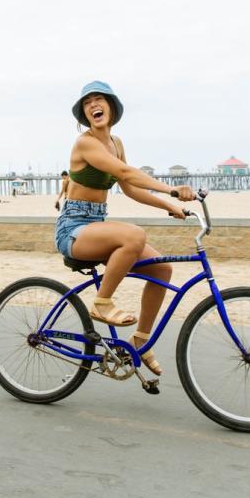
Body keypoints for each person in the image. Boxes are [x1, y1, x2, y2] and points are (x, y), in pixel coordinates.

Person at [55, 81, 195, 375]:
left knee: (161, 270)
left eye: (99, 100)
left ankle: (140, 342)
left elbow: (129, 187)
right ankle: (102, 303)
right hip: (73, 229)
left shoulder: (116, 144)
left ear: (112, 107)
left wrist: (170, 206)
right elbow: (123, 171)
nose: (93, 105)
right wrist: (170, 190)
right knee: (134, 234)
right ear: (84, 113)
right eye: (87, 102)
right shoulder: (86, 143)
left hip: (95, 225)